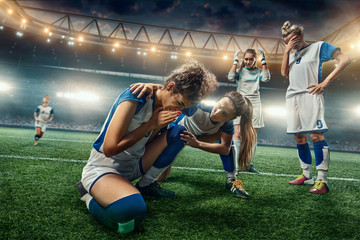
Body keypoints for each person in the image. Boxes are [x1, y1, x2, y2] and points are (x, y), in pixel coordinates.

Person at [76, 61, 218, 234]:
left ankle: (145, 185)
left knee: (180, 132)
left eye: (184, 107)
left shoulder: (178, 101)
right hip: (105, 167)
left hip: (136, 164)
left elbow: (212, 110)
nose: (180, 110)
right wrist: (151, 125)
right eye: (180, 104)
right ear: (171, 87)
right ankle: (86, 194)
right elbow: (110, 149)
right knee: (129, 218)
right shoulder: (136, 96)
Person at [131, 84, 256, 198]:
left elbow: (225, 149)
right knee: (162, 177)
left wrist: (197, 144)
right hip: (176, 132)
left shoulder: (227, 124)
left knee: (229, 143)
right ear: (218, 100)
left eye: (224, 114)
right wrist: (153, 88)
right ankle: (142, 175)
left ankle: (232, 180)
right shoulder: (197, 107)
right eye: (219, 106)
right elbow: (172, 96)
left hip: (197, 137)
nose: (216, 113)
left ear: (232, 118)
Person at [280, 21, 351, 194]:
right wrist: (286, 51)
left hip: (310, 95)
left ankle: (322, 180)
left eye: (294, 39)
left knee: (316, 135)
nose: (292, 43)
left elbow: (345, 59)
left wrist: (325, 82)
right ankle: (306, 174)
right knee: (299, 137)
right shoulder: (290, 53)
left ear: (301, 35)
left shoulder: (319, 47)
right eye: (287, 41)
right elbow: (284, 73)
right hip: (292, 97)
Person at [228, 48, 271, 174]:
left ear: (255, 60)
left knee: (252, 135)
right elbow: (231, 77)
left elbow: (266, 78)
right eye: (245, 59)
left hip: (255, 103)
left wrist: (263, 60)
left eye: (251, 59)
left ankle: (249, 165)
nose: (248, 61)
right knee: (237, 133)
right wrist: (235, 61)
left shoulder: (258, 71)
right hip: (239, 102)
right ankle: (235, 165)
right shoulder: (239, 71)